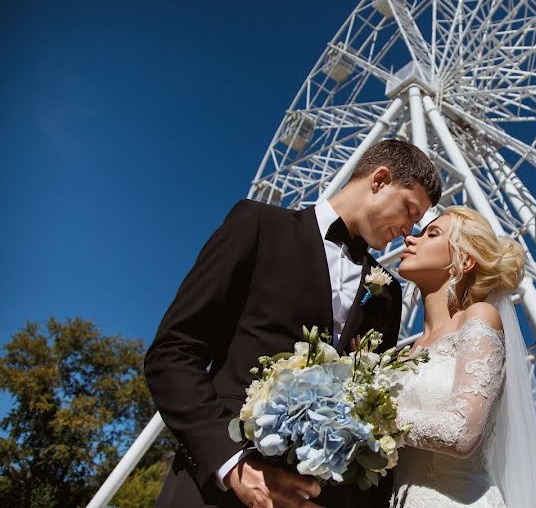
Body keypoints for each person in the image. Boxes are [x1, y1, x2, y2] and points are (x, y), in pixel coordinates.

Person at [144, 139, 442, 508]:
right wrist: (231, 463)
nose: (409, 230)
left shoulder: (388, 292)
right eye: (410, 211)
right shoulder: (259, 225)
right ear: (379, 180)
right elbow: (173, 351)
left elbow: (370, 406)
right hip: (216, 489)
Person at [390, 207, 536, 508]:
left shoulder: (480, 318)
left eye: (431, 234)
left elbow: (463, 432)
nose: (410, 240)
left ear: (464, 260)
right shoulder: (404, 355)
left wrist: (372, 419)